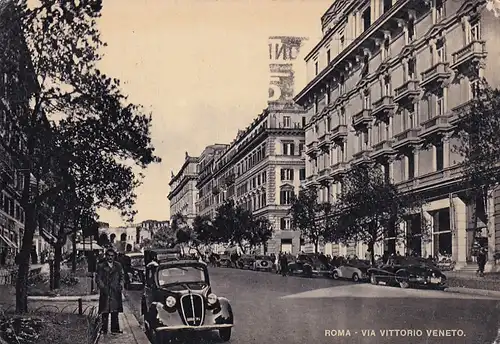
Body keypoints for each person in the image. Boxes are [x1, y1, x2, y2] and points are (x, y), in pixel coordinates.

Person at [96, 248, 124, 334]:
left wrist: (120, 285)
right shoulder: (101, 266)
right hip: (106, 291)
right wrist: (103, 287)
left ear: (114, 256)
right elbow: (98, 279)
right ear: (106, 256)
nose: (110, 258)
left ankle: (115, 329)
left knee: (114, 310)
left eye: (112, 256)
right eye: (108, 256)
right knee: (105, 310)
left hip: (115, 291)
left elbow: (122, 276)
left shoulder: (118, 265)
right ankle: (103, 329)